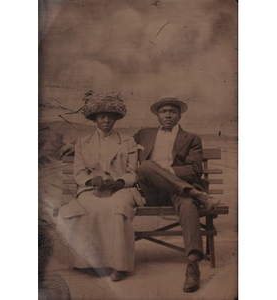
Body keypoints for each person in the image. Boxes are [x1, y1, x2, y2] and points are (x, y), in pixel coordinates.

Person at [133, 96, 220, 293]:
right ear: (157, 115)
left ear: (180, 115)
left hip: (177, 191)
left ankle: (192, 266)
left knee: (188, 204)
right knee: (146, 166)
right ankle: (197, 194)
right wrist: (73, 146)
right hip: (152, 192)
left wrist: (166, 172)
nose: (168, 115)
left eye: (172, 112)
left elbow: (194, 170)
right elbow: (117, 144)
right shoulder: (143, 135)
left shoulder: (191, 139)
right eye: (164, 112)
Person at [57, 90, 144, 282]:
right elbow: (79, 172)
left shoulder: (128, 142)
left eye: (110, 117)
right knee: (88, 206)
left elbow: (132, 173)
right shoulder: (83, 143)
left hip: (122, 189)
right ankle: (91, 262)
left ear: (116, 119)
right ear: (94, 119)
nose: (106, 121)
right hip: (92, 190)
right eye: (102, 117)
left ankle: (119, 265)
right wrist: (90, 180)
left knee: (117, 207)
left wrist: (119, 182)